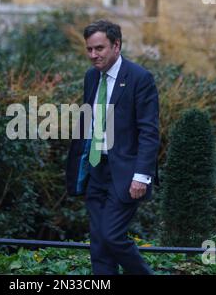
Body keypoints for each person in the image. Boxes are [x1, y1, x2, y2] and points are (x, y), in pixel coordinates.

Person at [66, 20, 160, 275]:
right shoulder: (90, 77)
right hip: (96, 170)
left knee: (112, 236)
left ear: (116, 45)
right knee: (98, 244)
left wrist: (142, 176)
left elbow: (149, 132)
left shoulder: (140, 78)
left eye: (99, 48)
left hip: (127, 174)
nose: (93, 55)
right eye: (89, 49)